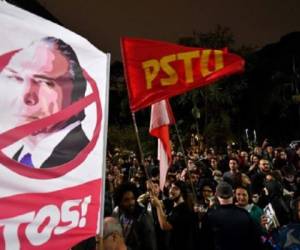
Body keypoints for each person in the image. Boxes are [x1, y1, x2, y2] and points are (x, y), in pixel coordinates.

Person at [0, 36, 89, 168]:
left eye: (44, 82)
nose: (25, 96)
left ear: (78, 94)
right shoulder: (14, 159)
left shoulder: (86, 162)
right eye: (17, 78)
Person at [200, 181, 264, 250]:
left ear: (216, 195)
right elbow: (256, 242)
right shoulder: (245, 215)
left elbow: (203, 243)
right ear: (233, 195)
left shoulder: (209, 216)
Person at [151, 180, 199, 250]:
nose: (170, 190)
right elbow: (154, 202)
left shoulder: (183, 209)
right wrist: (152, 192)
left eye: (175, 188)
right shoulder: (172, 201)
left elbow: (165, 226)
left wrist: (158, 206)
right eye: (171, 187)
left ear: (182, 192)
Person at [112, 182, 157, 250]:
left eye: (133, 198)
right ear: (119, 202)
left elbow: (151, 246)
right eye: (126, 200)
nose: (131, 203)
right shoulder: (121, 217)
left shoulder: (143, 218)